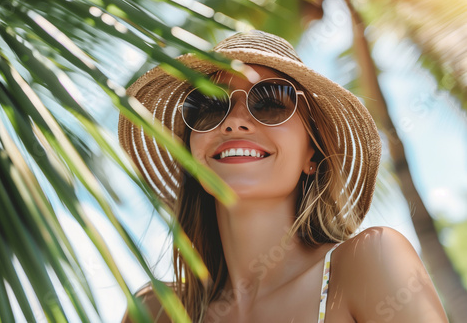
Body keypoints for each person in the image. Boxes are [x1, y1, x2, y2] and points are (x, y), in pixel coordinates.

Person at [119, 31, 448, 322]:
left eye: (271, 103)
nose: (234, 121)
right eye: (209, 105)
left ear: (313, 154)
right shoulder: (155, 310)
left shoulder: (368, 262)